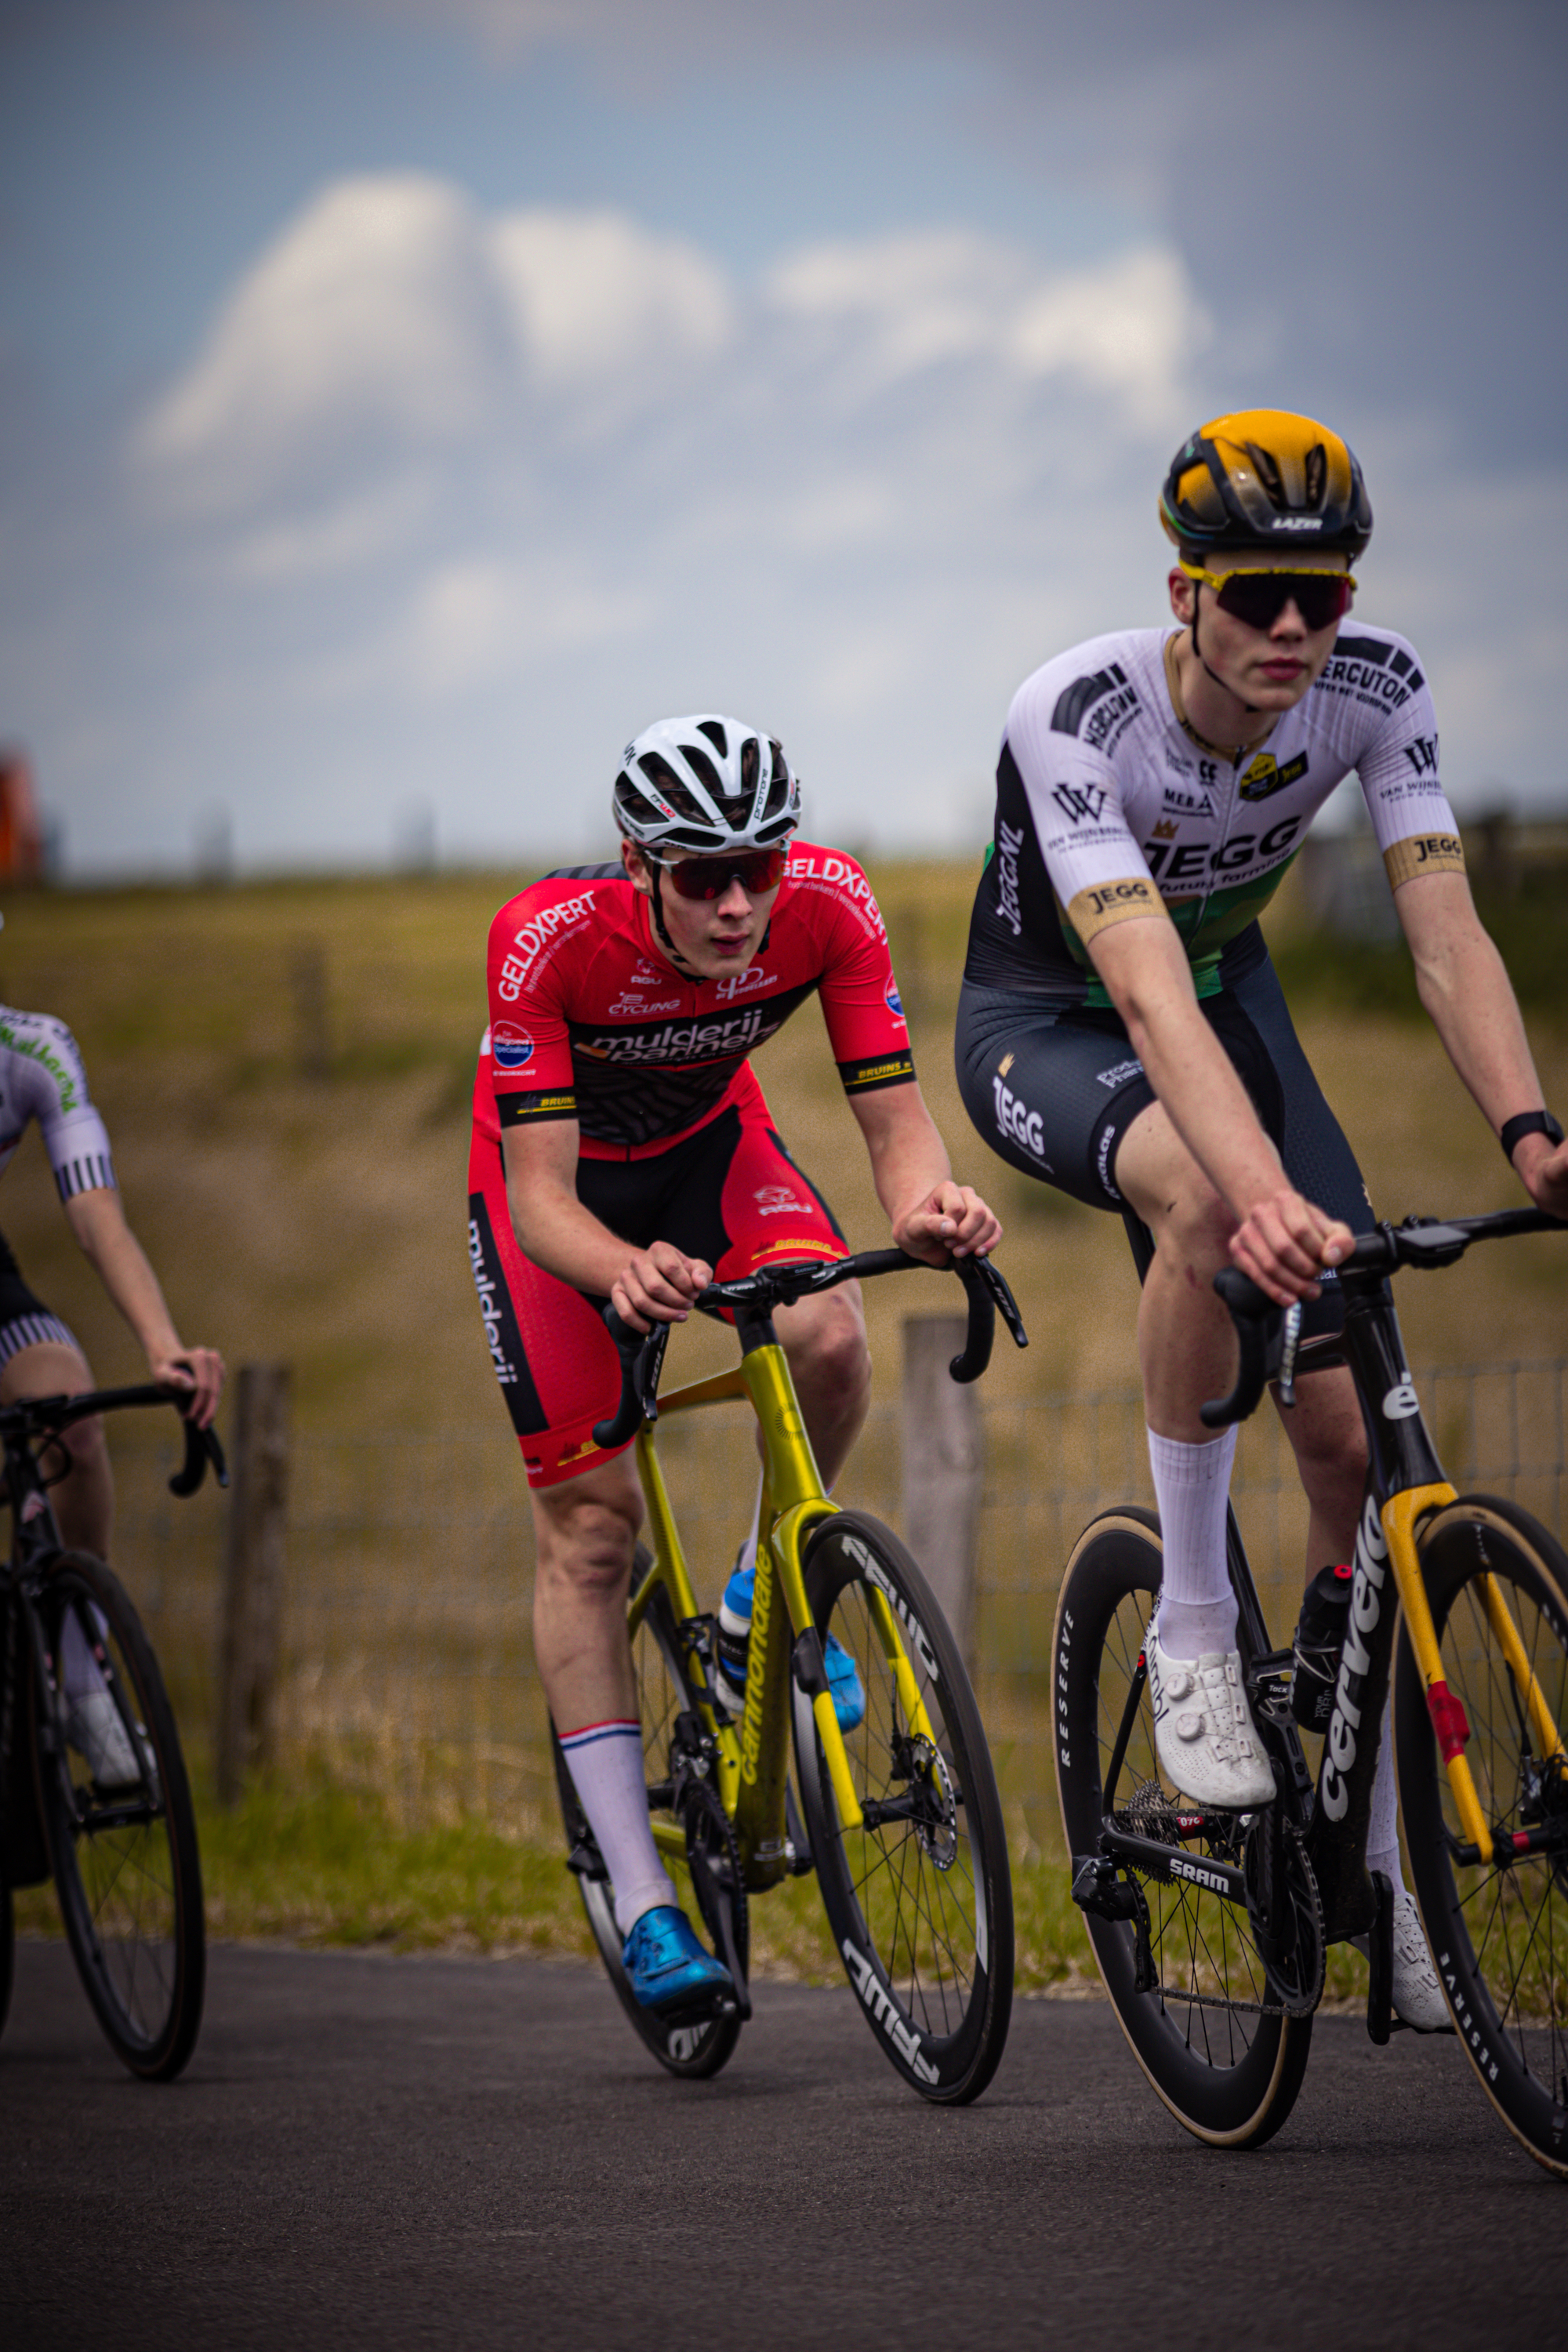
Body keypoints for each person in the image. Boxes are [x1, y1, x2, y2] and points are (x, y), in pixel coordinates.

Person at [955, 409, 1568, 2030]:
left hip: (1228, 1000)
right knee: (1201, 1206)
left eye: (1325, 593)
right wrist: (1257, 1189)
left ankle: (1376, 1865)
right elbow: (1141, 990)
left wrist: (1529, 1132)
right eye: (1255, 596)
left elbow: (1441, 936)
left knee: (1356, 1442)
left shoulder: (1377, 686)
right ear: (1184, 592)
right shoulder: (1074, 713)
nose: (1295, 628)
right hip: (1055, 1019)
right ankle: (1195, 1642)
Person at [469, 715, 1001, 2015]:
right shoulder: (546, 938)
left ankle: (762, 1596)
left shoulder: (829, 904)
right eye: (700, 874)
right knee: (591, 1535)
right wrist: (616, 1271)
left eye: (756, 866)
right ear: (637, 861)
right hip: (560, 1198)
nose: (736, 901)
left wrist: (930, 1203)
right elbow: (540, 1198)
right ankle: (646, 1907)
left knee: (828, 1332)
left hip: (717, 1151)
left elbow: (894, 1118)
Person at [0, 996, 224, 1781]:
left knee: (71, 1410)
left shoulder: (33, 1051)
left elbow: (98, 1218)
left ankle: (81, 1676)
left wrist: (163, 1346)